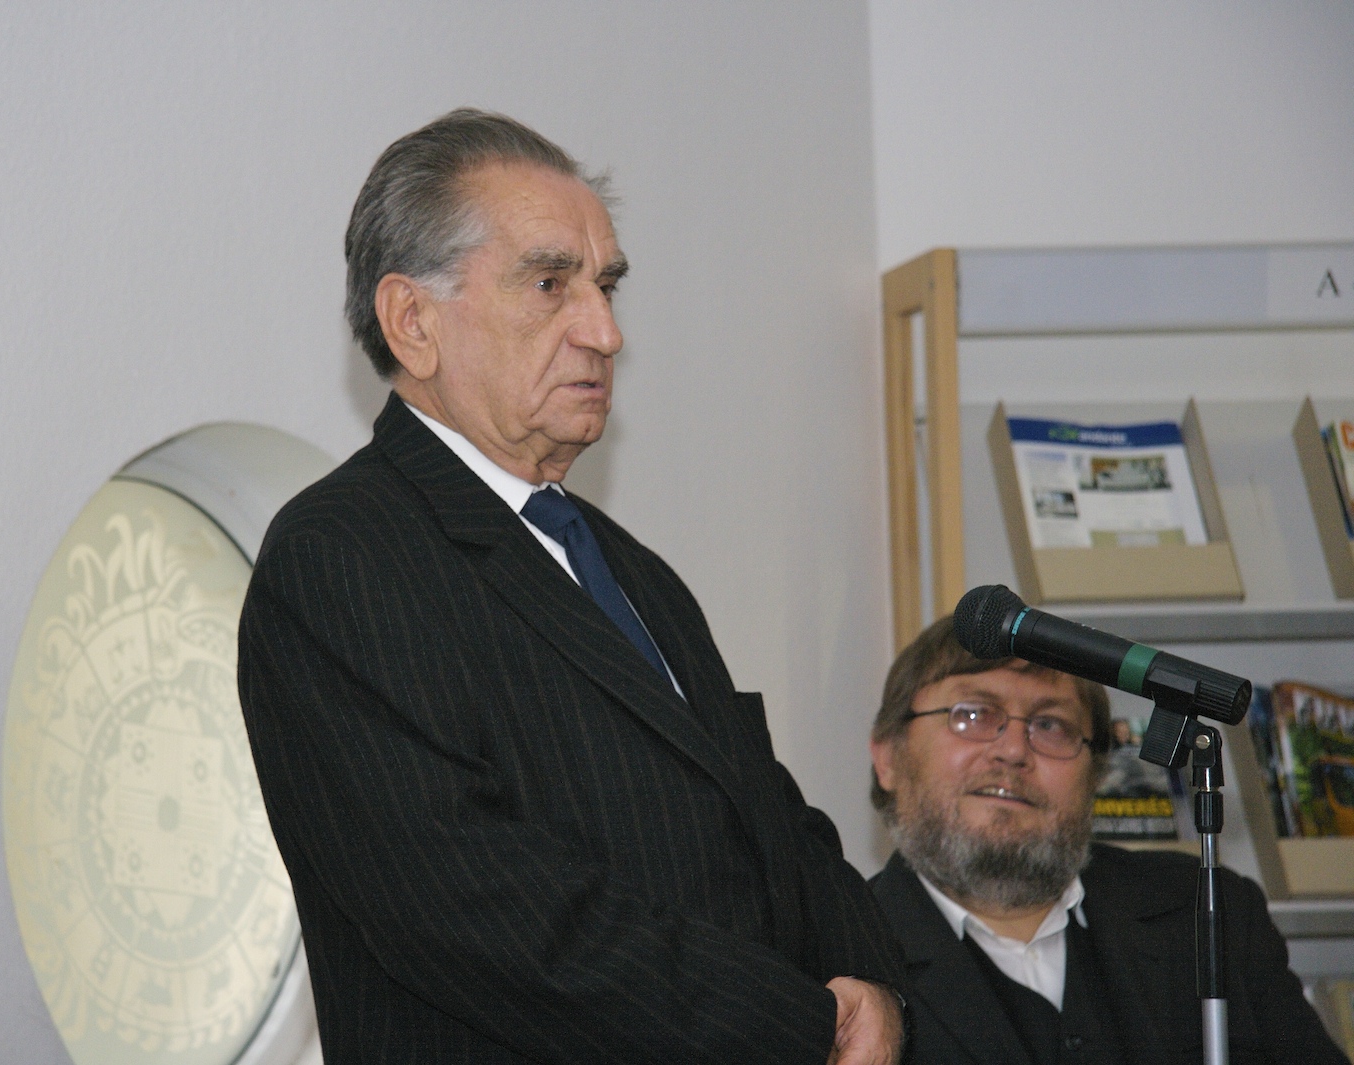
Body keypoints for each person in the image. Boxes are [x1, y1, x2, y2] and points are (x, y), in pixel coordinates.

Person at [235, 108, 906, 1064]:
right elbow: (474, 909)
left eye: (607, 285)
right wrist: (794, 1024)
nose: (606, 331)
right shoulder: (341, 554)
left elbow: (771, 821)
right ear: (413, 322)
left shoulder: (633, 570)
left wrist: (875, 988)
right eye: (551, 284)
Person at [866, 617, 1348, 1065]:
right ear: (887, 757)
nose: (1013, 751)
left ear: (1095, 774)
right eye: (973, 714)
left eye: (1050, 725)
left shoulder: (1209, 913)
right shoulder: (845, 956)